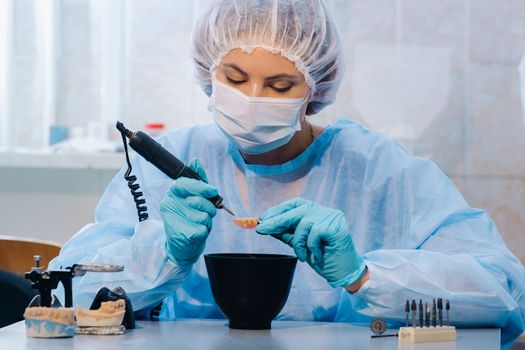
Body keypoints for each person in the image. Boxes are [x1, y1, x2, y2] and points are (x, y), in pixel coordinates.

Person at [49, 0, 525, 347]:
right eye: (234, 79)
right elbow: (64, 294)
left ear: (314, 87)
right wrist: (161, 255)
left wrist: (365, 277)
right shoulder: (171, 163)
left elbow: (503, 292)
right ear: (207, 71)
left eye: (279, 85)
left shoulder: (379, 173)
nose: (252, 98)